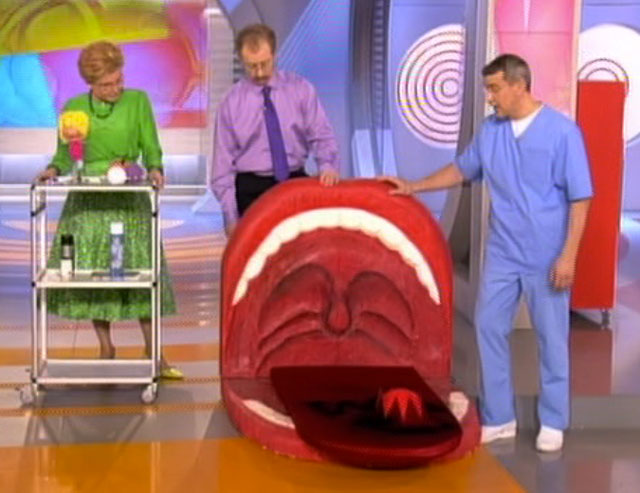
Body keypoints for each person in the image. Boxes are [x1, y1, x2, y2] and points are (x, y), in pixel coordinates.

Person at [380, 54, 592, 453]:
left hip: (547, 252)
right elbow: (461, 170)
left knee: (551, 337)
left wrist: (569, 256)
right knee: (488, 325)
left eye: (495, 89)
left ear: (519, 85)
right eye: (487, 89)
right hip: (503, 250)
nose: (489, 97)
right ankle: (499, 416)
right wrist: (413, 186)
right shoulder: (491, 132)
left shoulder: (562, 133)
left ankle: (553, 420)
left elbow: (581, 198)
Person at [36, 40, 183, 379]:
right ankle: (106, 347)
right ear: (90, 82)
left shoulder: (138, 101)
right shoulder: (74, 108)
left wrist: (156, 169)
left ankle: (155, 353)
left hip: (129, 197)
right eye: (106, 85)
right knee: (94, 274)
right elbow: (65, 155)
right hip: (90, 203)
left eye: (118, 80)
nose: (115, 88)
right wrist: (53, 169)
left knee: (142, 273)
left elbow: (151, 145)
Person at [211, 23, 340, 236]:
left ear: (274, 55)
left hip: (294, 182)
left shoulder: (301, 90)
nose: (259, 72)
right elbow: (222, 167)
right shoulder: (230, 103)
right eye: (251, 66)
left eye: (265, 63)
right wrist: (230, 216)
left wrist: (328, 165)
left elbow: (321, 134)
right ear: (241, 61)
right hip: (251, 190)